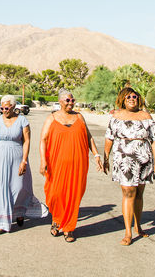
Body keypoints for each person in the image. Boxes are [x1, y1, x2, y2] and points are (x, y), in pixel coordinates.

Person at [40, 89, 103, 243]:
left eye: (72, 100)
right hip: (56, 164)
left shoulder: (79, 117)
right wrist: (43, 161)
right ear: (60, 102)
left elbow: (88, 137)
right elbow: (43, 139)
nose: (70, 103)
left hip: (78, 164)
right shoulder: (52, 118)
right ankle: (56, 219)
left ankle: (68, 228)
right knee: (55, 194)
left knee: (73, 196)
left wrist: (96, 155)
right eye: (67, 100)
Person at [104, 87, 155, 246]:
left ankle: (138, 225)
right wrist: (105, 158)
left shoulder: (145, 116)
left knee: (138, 193)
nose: (132, 99)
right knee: (128, 192)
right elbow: (109, 138)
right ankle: (128, 232)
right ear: (123, 99)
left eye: (135, 96)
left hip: (143, 159)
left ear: (139, 98)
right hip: (124, 160)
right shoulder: (117, 116)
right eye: (128, 96)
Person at [0, 95, 47, 234]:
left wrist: (24, 160)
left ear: (13, 107)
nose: (4, 110)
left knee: (19, 187)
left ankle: (19, 211)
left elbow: (26, 141)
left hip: (17, 157)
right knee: (0, 189)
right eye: (2, 108)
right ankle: (0, 222)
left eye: (7, 108)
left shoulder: (22, 121)